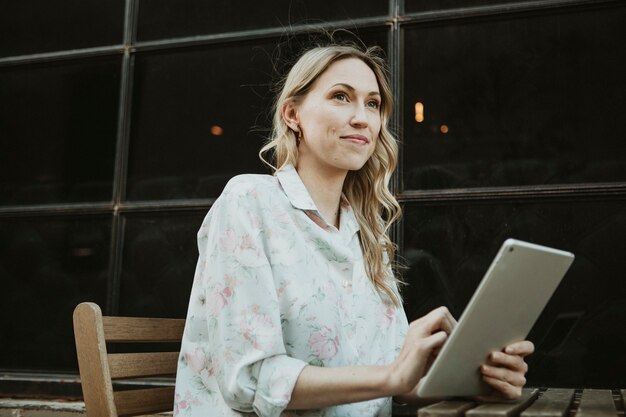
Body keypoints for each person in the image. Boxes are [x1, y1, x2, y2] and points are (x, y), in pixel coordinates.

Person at [173, 42, 534, 417]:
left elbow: (394, 378)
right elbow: (249, 378)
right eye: (341, 97)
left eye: (373, 104)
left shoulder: (366, 230)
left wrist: (473, 381)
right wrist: (391, 377)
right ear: (292, 114)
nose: (362, 117)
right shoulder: (249, 200)